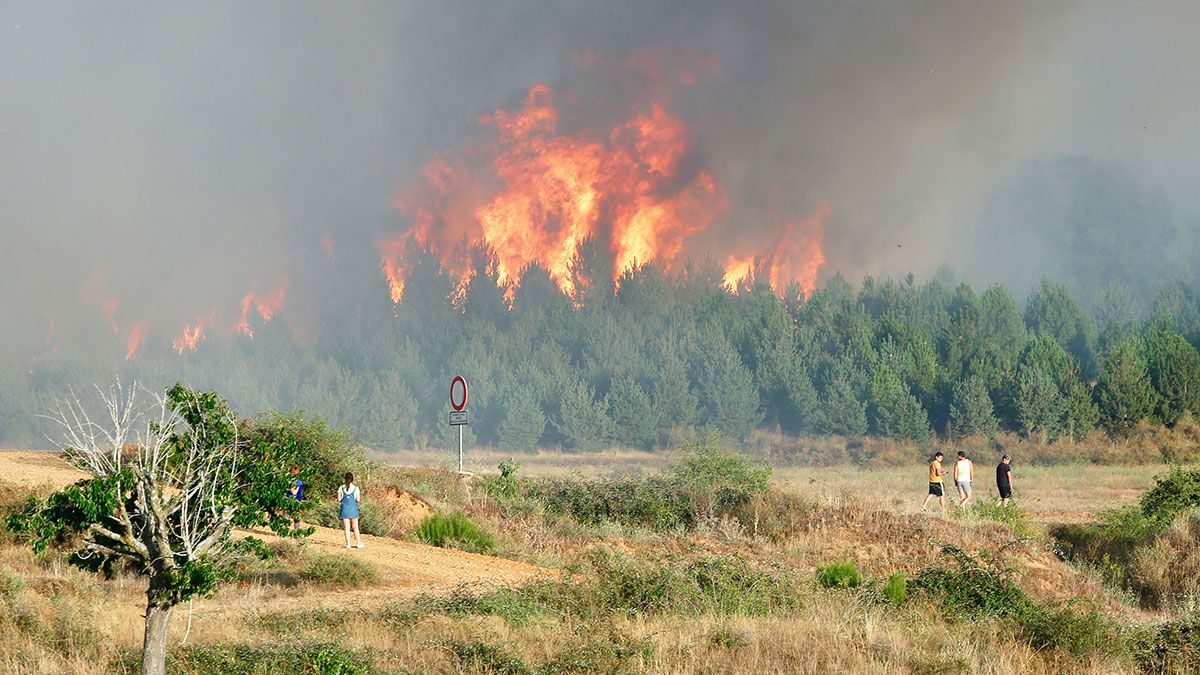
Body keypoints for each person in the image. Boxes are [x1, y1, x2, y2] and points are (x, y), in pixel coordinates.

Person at [338, 472, 364, 549]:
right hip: (353, 509)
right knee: (355, 527)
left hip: (344, 509)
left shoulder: (341, 488)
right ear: (352, 479)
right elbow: (358, 500)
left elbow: (339, 499)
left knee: (347, 527)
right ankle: (358, 543)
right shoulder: (356, 488)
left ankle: (348, 544)